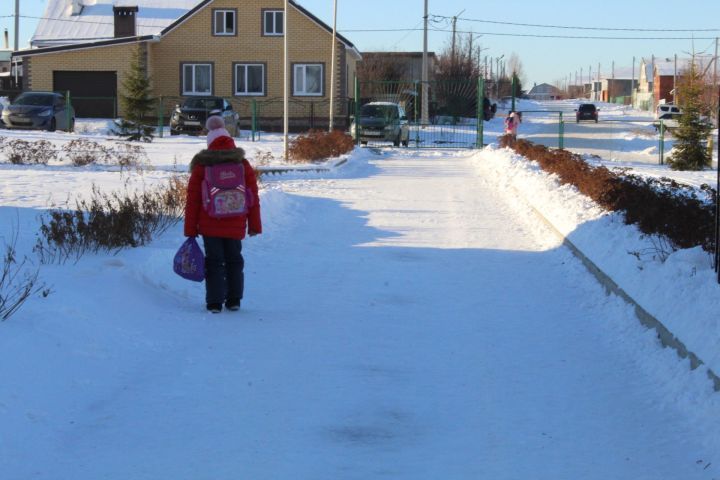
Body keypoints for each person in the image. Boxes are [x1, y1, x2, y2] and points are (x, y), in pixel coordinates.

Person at [184, 116, 262, 313]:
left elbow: (192, 200)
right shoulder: (242, 164)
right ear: (230, 140)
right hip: (236, 221)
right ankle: (234, 300)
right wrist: (254, 225)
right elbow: (253, 197)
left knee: (213, 261)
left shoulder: (202, 166)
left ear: (209, 142)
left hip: (210, 222)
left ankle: (214, 302)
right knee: (234, 260)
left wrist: (190, 229)